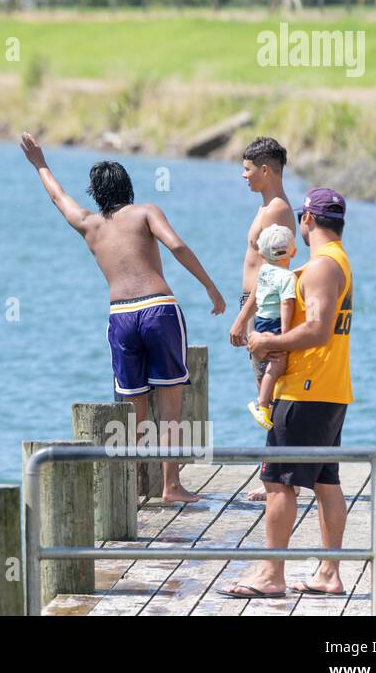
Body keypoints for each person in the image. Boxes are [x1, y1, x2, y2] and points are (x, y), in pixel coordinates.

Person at [19, 134, 226, 503]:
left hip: (121, 317)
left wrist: (39, 162)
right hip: (159, 309)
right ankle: (171, 486)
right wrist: (210, 287)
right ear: (127, 187)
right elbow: (176, 245)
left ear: (96, 194)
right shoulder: (146, 212)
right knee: (171, 405)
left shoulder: (88, 223)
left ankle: (131, 491)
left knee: (133, 410)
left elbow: (57, 197)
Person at [218, 188, 354, 599]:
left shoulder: (321, 268)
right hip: (330, 390)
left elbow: (317, 328)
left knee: (278, 482)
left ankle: (270, 575)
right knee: (326, 481)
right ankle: (329, 574)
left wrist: (266, 343)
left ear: (308, 220)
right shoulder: (335, 262)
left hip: (304, 391)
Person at [229, 137, 295, 495]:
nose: (244, 176)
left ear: (265, 170)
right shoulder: (266, 206)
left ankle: (280, 476)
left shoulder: (278, 212)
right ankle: (275, 472)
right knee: (264, 393)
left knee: (270, 394)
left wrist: (243, 316)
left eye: (248, 169)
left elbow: (273, 271)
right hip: (256, 303)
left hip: (264, 307)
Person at [247, 223, 297, 430]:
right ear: (293, 252)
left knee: (264, 364)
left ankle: (264, 401)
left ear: (262, 252)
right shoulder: (287, 277)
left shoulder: (264, 271)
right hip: (275, 324)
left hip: (260, 322)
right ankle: (262, 405)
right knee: (277, 363)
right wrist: (285, 335)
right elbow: (286, 304)